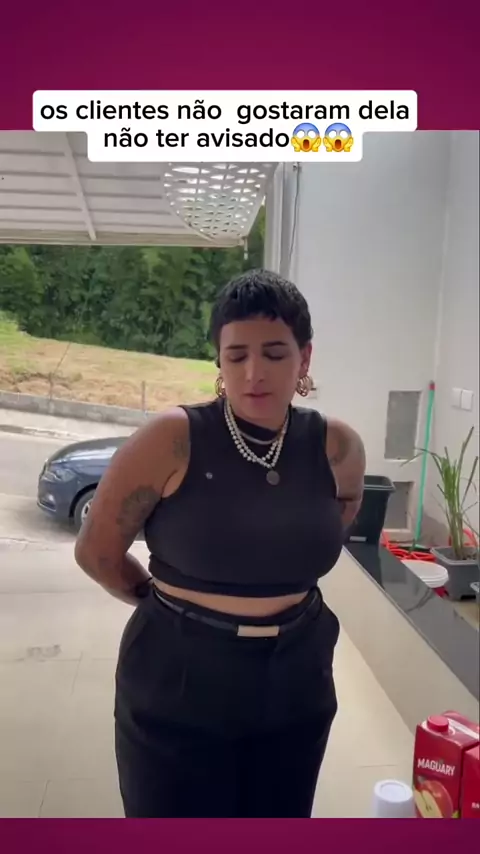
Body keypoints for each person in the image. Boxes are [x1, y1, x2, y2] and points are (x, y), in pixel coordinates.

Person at [74, 268, 366, 818]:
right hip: (180, 677)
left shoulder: (337, 447)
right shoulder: (172, 440)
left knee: (277, 827)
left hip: (297, 675)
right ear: (219, 362)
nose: (254, 373)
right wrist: (165, 605)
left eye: (275, 353)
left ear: (304, 357)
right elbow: (97, 553)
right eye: (236, 356)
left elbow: (341, 515)